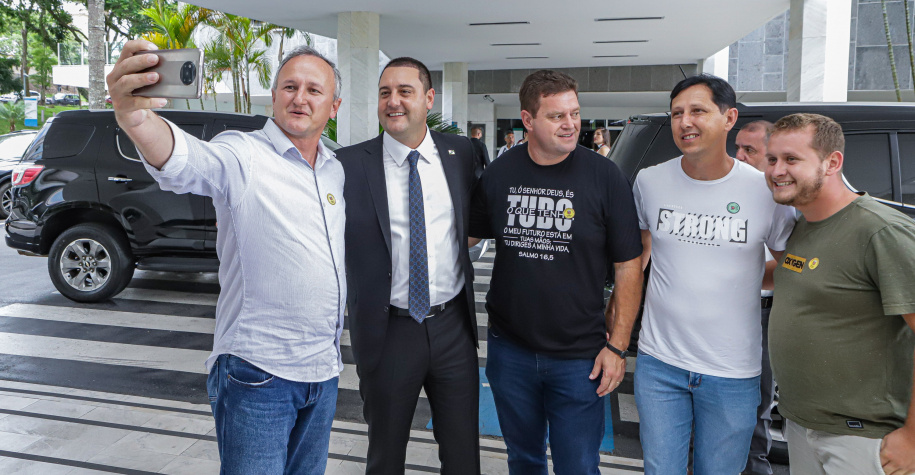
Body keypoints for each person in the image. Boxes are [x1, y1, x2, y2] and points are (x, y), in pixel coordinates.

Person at [106, 40, 345, 474]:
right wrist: (137, 119)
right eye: (289, 86)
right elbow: (186, 160)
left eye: (314, 90)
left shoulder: (334, 168)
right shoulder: (243, 153)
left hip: (323, 371)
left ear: (334, 105)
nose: (300, 97)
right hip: (259, 373)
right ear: (274, 97)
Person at [469, 69, 643, 474]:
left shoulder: (604, 177)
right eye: (557, 116)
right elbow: (469, 238)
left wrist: (617, 347)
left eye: (575, 113)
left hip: (579, 356)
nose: (571, 125)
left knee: (578, 466)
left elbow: (628, 265)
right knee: (524, 459)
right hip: (510, 350)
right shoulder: (500, 174)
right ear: (528, 121)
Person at [632, 74, 795, 474]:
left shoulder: (764, 190)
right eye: (676, 114)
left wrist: (743, 277)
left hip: (733, 372)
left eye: (698, 111)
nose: (685, 122)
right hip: (659, 364)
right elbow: (637, 258)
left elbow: (795, 265)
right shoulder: (649, 181)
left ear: (729, 117)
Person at [335, 57, 480, 475]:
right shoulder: (349, 165)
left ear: (428, 98)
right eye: (385, 93)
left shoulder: (461, 154)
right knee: (385, 456)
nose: (393, 102)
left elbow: (473, 222)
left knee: (462, 455)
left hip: (453, 327)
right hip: (389, 331)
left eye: (404, 91)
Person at [766, 113, 915, 475]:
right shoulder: (803, 225)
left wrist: (912, 437)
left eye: (791, 159)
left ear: (832, 162)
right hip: (802, 428)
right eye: (771, 159)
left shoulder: (880, 231)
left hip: (864, 438)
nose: (775, 170)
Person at [735, 120, 779, 475]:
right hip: (724, 313)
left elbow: (794, 264)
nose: (739, 156)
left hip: (763, 313)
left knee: (755, 408)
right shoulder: (730, 190)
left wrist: (739, 278)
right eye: (737, 148)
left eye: (750, 150)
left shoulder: (781, 199)